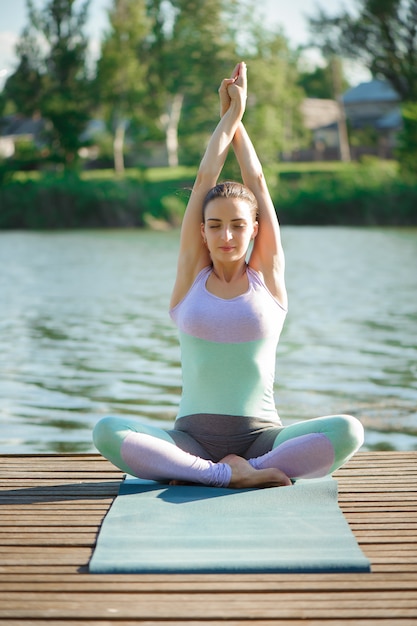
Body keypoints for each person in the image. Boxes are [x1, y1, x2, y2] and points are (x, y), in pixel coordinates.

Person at [93, 62, 364, 489]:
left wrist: (237, 118)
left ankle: (239, 471)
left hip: (263, 438)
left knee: (349, 430)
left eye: (238, 224)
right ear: (201, 230)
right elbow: (204, 180)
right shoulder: (190, 280)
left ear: (255, 228)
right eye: (215, 225)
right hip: (191, 439)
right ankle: (223, 474)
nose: (226, 234)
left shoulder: (268, 281)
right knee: (106, 430)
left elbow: (255, 179)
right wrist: (228, 117)